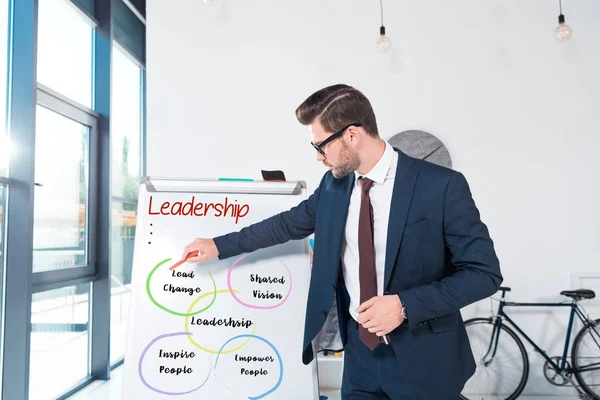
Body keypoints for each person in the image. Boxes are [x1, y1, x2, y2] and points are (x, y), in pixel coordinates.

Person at [182, 84, 503, 399]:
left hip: (425, 358)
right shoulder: (334, 186)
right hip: (360, 358)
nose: (319, 157)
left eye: (320, 145)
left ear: (352, 135)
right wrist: (218, 245)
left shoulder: (441, 185)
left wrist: (405, 306)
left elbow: (483, 274)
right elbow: (288, 224)